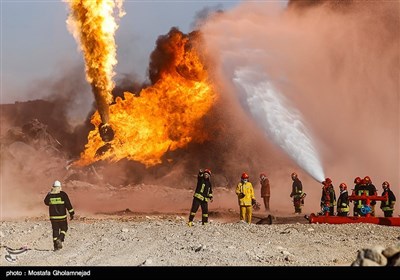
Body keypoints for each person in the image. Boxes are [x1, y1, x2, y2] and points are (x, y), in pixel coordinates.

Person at [44, 180, 75, 251]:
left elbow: (45, 202)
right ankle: (60, 239)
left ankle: (56, 247)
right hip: (62, 217)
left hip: (53, 217)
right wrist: (72, 213)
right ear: (60, 187)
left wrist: (52, 204)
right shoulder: (63, 194)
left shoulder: (49, 194)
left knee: (55, 230)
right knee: (64, 228)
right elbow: (68, 204)